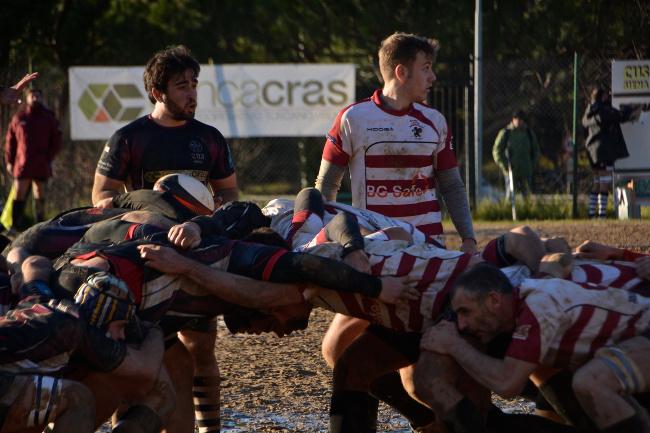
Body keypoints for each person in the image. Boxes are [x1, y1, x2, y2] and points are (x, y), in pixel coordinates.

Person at [314, 34, 476, 427]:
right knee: (341, 353)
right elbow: (325, 188)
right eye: (426, 68)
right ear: (400, 72)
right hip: (375, 255)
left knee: (380, 365)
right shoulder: (353, 119)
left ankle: (436, 419)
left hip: (423, 257)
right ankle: (427, 420)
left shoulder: (434, 122)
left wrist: (468, 238)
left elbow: (452, 185)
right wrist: (332, 237)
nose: (433, 77)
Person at [420, 264, 650, 433]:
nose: (461, 325)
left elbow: (507, 384)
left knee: (590, 382)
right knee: (597, 396)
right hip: (634, 345)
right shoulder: (523, 303)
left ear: (493, 300)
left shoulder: (539, 306)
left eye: (465, 312)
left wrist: (453, 344)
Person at [92, 45, 238, 206]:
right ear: (157, 94)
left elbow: (228, 190)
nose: (192, 95)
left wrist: (219, 203)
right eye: (182, 87)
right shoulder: (127, 138)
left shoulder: (211, 137)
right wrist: (134, 206)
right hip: (146, 227)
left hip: (196, 227)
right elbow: (102, 193)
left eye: (194, 86)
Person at [4, 87, 62, 229]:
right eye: (32, 96)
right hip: (22, 163)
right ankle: (15, 224)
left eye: (38, 96)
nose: (35, 98)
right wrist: (9, 161)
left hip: (41, 163)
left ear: (41, 98)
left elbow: (57, 140)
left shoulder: (48, 117)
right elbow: (10, 141)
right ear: (27, 98)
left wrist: (49, 158)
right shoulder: (19, 118)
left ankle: (40, 223)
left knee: (39, 192)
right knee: (19, 193)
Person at [582, 86, 637, 218]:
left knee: (596, 182)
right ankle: (602, 215)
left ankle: (591, 214)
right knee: (604, 183)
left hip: (592, 151)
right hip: (604, 151)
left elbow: (585, 125)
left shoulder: (589, 110)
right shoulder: (604, 110)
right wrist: (631, 108)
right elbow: (621, 116)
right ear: (603, 96)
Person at [492, 110, 539, 198]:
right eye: (516, 119)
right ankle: (508, 211)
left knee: (526, 197)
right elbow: (496, 151)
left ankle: (525, 211)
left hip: (525, 171)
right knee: (510, 197)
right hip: (510, 171)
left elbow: (536, 150)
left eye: (521, 119)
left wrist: (531, 165)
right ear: (513, 120)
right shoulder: (506, 133)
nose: (518, 121)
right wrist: (505, 164)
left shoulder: (528, 133)